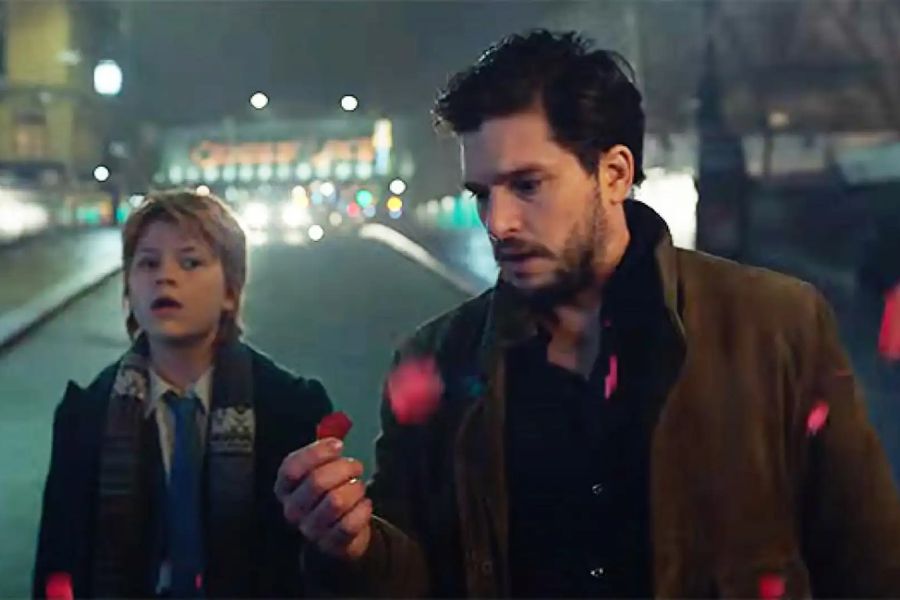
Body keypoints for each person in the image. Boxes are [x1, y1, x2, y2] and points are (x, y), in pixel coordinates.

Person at [277, 30, 900, 597]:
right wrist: (351, 547)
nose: (498, 222)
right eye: (482, 193)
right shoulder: (437, 359)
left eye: (527, 185)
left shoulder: (775, 327)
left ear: (614, 174)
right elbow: (416, 576)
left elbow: (867, 561)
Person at [33, 190, 332, 598]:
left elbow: (315, 566)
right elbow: (58, 559)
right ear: (128, 288)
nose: (165, 277)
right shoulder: (86, 414)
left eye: (190, 262)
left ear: (230, 291)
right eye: (148, 263)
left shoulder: (292, 408)